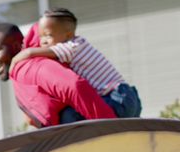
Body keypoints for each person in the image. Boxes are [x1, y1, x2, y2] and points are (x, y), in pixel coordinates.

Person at [11, 8, 142, 121]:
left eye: (48, 35)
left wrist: (18, 58)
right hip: (128, 98)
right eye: (40, 37)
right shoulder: (79, 44)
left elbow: (34, 53)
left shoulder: (72, 47)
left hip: (118, 98)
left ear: (68, 34)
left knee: (69, 116)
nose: (43, 41)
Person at [0, 23, 116, 128]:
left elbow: (73, 85)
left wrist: (111, 129)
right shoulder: (21, 70)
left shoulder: (26, 67)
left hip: (111, 109)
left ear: (16, 46)